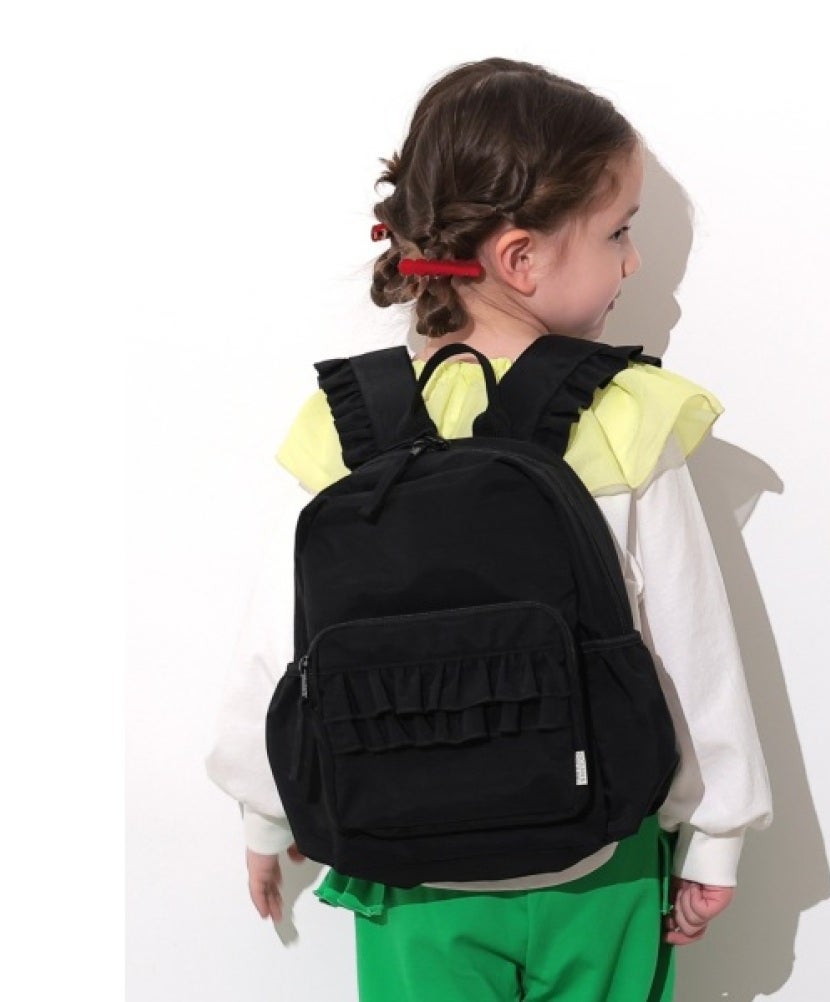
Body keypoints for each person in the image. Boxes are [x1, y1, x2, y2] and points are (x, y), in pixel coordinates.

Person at [207, 57, 772, 1002]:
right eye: (618, 231)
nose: (634, 261)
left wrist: (267, 813)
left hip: (407, 869)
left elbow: (279, 645)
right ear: (519, 257)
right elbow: (691, 647)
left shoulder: (350, 424)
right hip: (599, 864)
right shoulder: (622, 414)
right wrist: (717, 833)